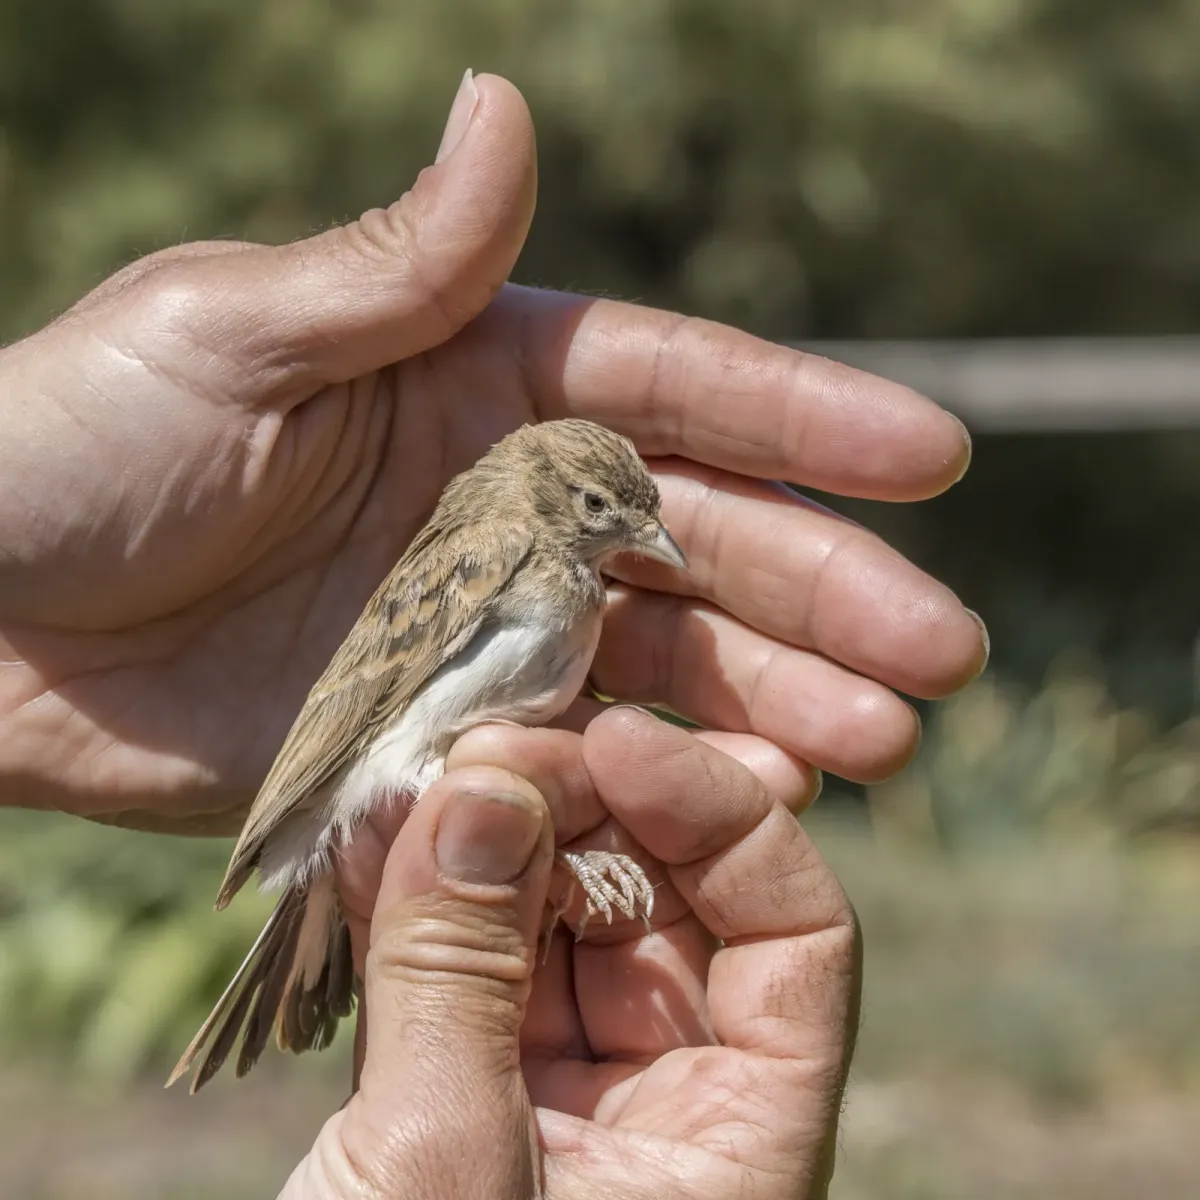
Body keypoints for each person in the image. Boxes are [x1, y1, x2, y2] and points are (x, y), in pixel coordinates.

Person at [0, 73, 986, 1197]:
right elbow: (381, 729)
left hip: (406, 786)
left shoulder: (575, 583)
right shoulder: (493, 549)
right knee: (494, 803)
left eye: (634, 523)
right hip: (364, 774)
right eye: (603, 518)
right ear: (550, 501)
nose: (635, 541)